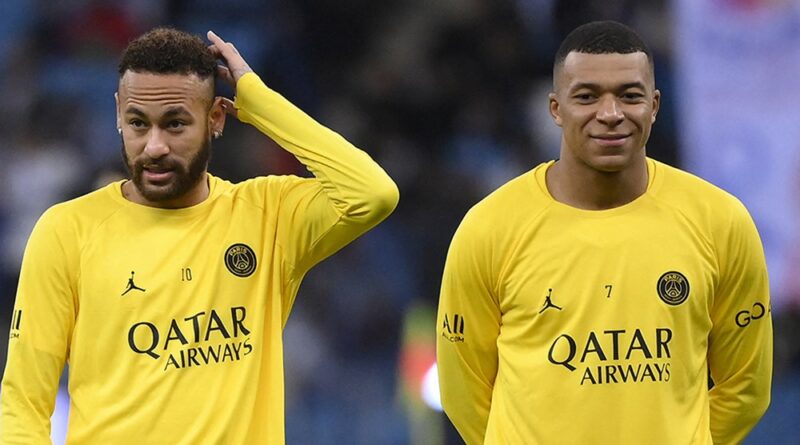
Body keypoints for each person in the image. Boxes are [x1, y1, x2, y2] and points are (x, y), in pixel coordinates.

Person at [1, 27, 398, 444]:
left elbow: (371, 194)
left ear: (216, 118)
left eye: (175, 124)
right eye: (138, 123)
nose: (154, 146)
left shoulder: (267, 214)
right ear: (118, 113)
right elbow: (23, 403)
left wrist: (259, 102)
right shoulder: (66, 231)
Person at [437, 21, 772, 445]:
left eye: (630, 96)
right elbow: (463, 391)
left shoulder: (720, 221)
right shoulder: (489, 228)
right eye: (587, 96)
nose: (610, 114)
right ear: (556, 109)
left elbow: (746, 387)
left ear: (654, 105)